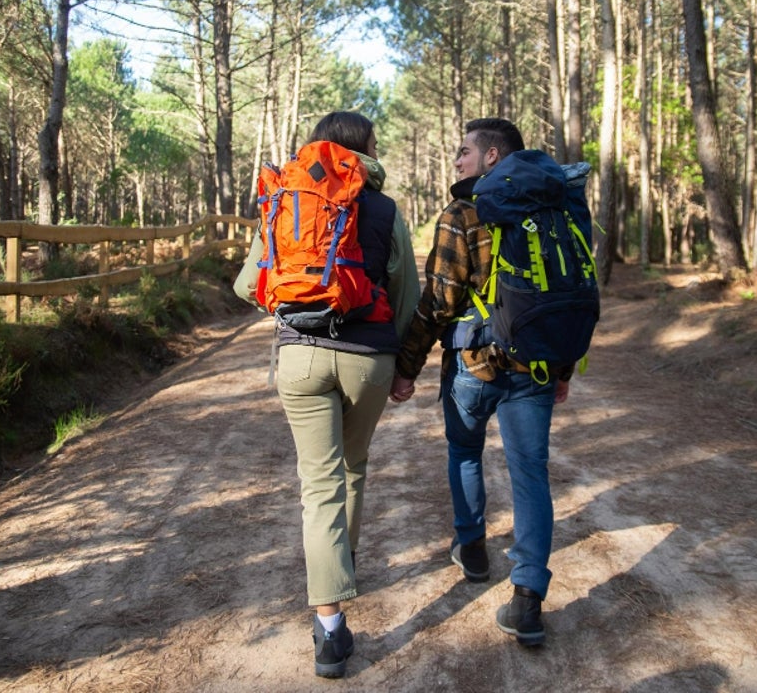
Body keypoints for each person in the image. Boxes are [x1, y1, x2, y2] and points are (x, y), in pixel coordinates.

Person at [234, 111, 419, 679]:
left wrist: (297, 308)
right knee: (353, 468)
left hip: (300, 356)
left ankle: (330, 629)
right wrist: (402, 364)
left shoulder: (289, 201)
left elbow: (247, 286)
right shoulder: (386, 210)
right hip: (369, 360)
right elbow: (406, 295)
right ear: (366, 150)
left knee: (319, 484)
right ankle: (343, 561)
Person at [388, 117, 572, 648]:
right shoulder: (553, 209)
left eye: (465, 151)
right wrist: (561, 368)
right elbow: (564, 292)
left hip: (474, 364)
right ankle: (528, 599)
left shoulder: (463, 212)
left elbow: (440, 300)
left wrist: (408, 362)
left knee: (465, 452)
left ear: (493, 157)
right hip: (535, 366)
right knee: (531, 474)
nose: (457, 159)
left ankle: (471, 548)